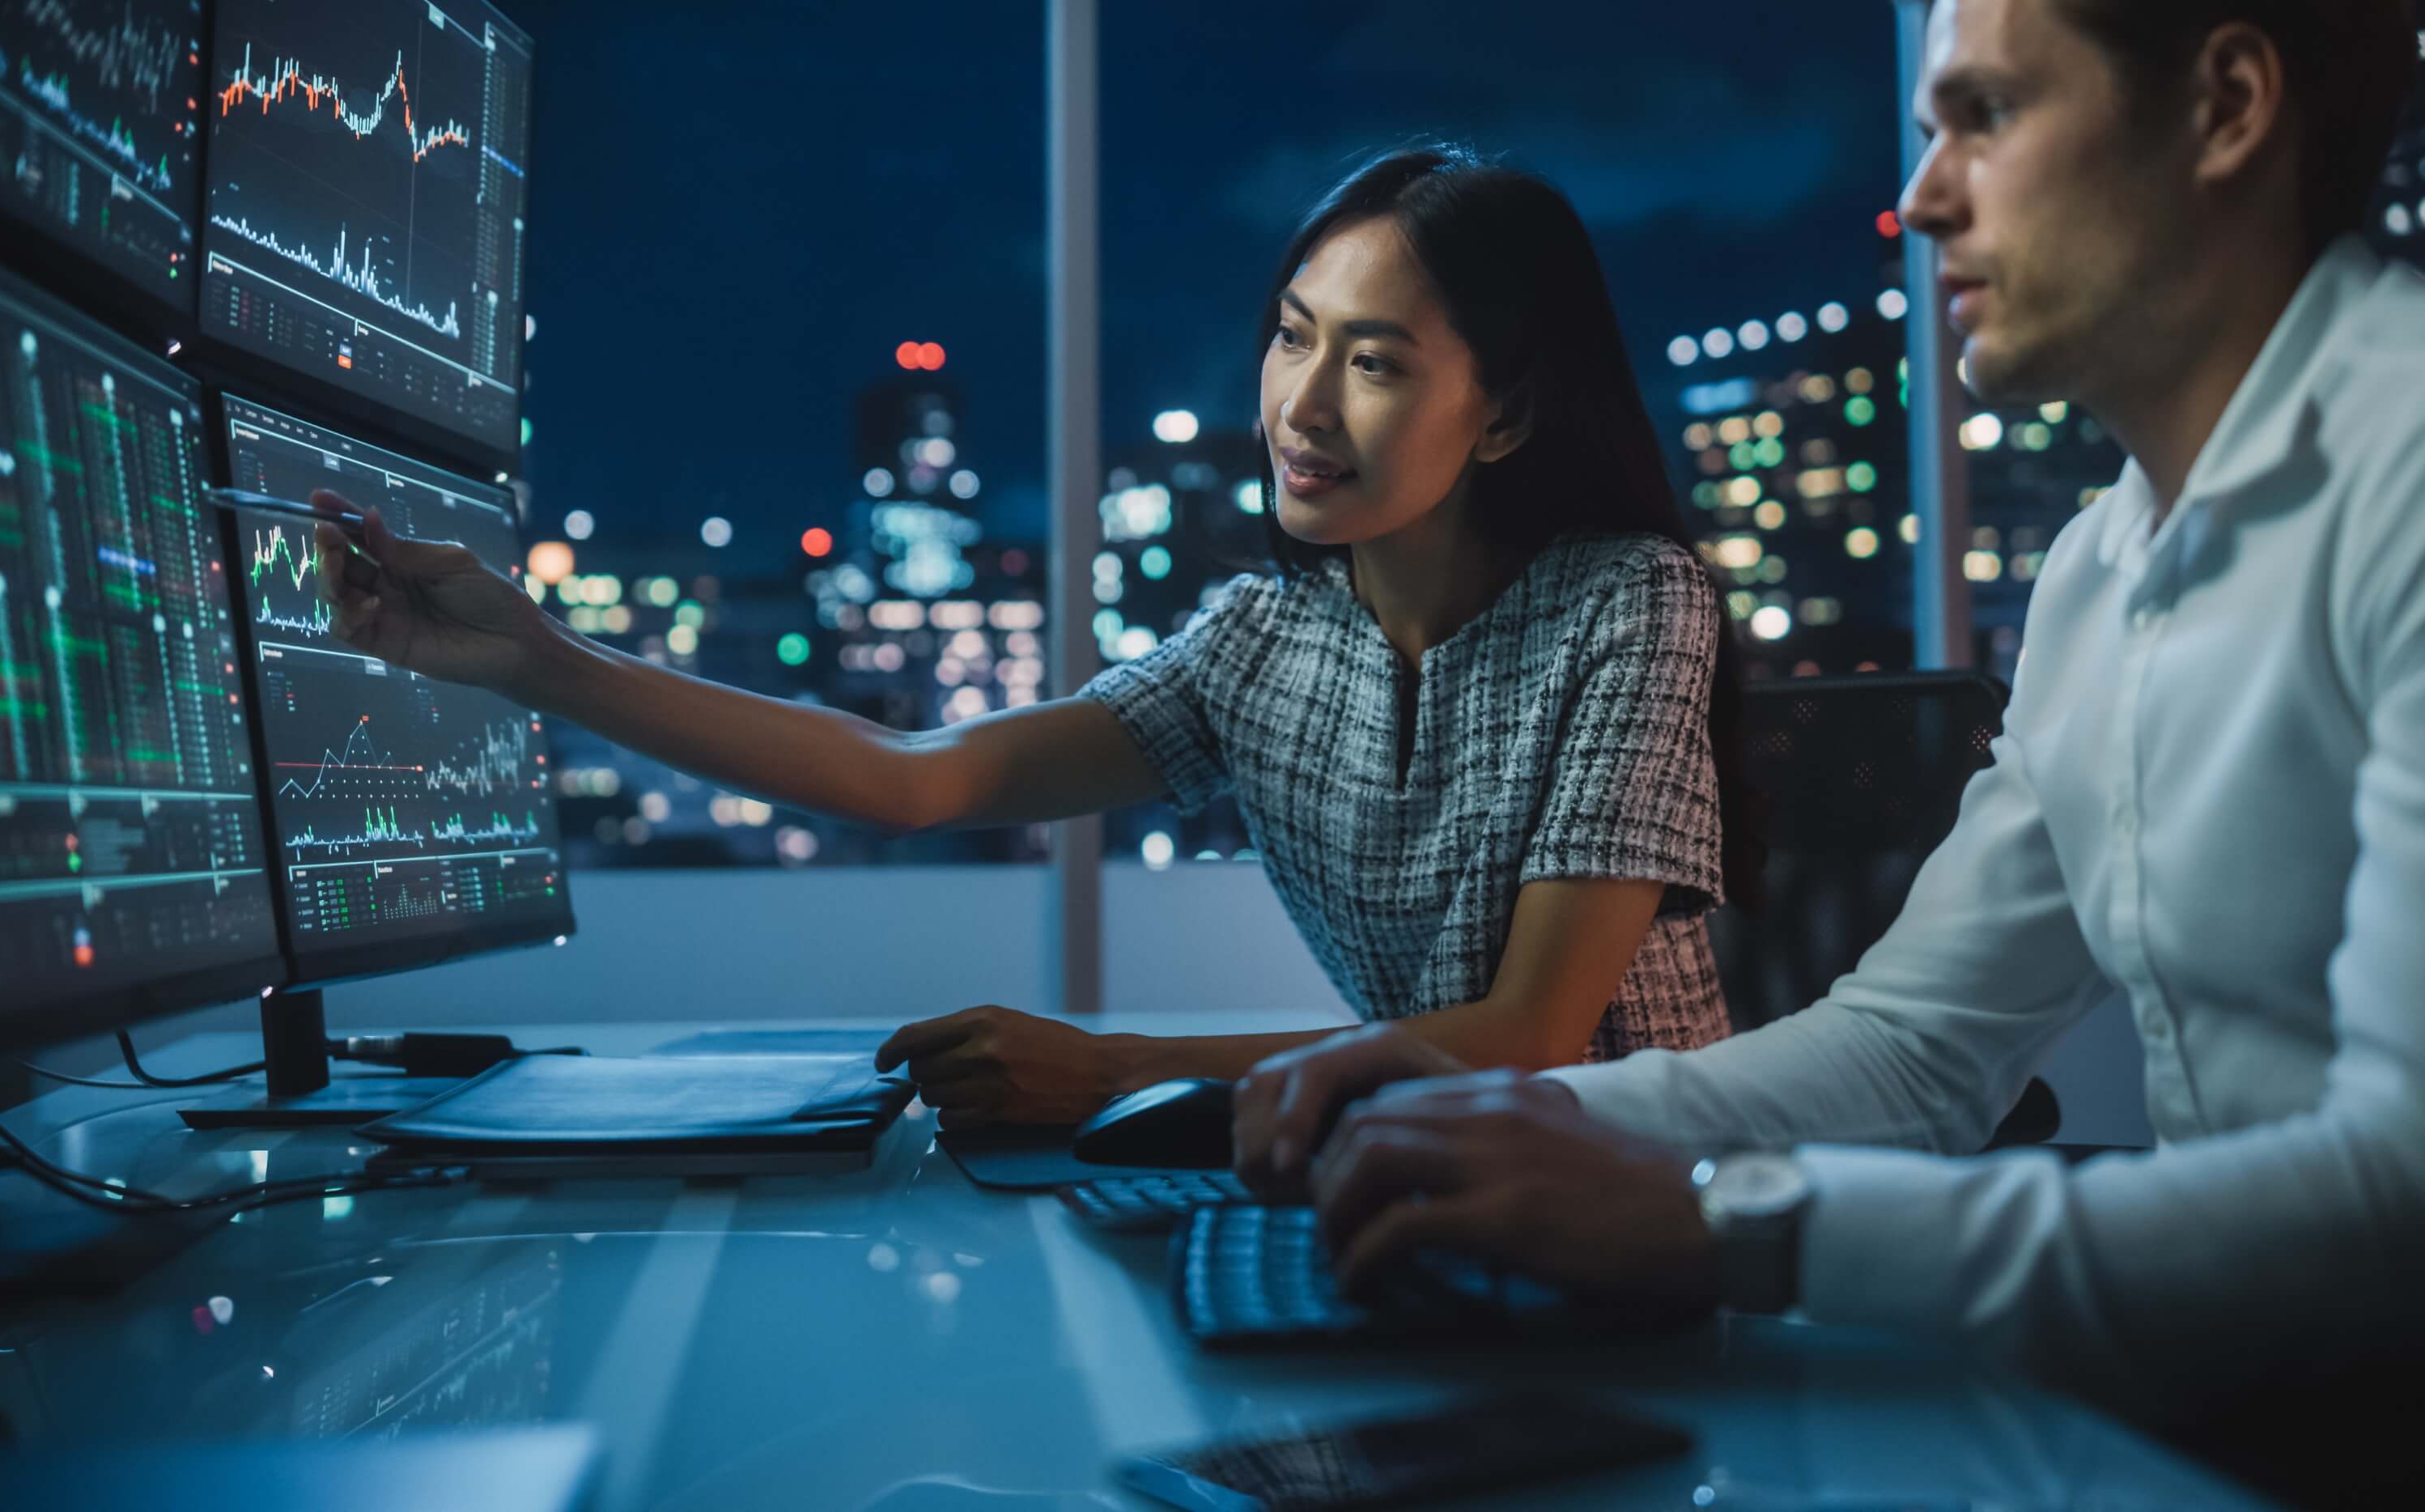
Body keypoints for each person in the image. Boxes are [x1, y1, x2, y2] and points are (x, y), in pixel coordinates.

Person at [1234, 0, 2425, 1489]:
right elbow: (1920, 1048)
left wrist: (1726, 1219)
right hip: (2248, 1426)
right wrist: (1501, 1130)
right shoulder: (2099, 567)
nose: (1926, 196)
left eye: (1984, 116)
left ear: (2223, 106)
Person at [304, 146, 1760, 1128]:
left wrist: (1119, 1070)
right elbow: (920, 778)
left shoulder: (1627, 600)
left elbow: (1533, 1041)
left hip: (1658, 1199)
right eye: (1292, 333)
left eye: (1374, 362)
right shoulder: (1263, 646)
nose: (1303, 408)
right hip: (1410, 1178)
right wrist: (541, 663)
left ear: (1503, 410)